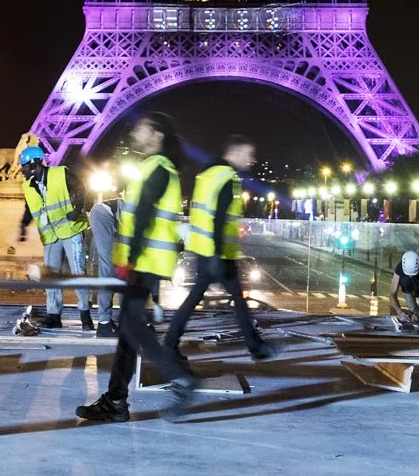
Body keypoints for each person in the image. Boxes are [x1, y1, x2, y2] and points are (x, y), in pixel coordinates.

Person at [75, 112, 196, 422]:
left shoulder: (157, 168)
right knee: (129, 331)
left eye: (143, 128)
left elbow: (142, 216)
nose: (136, 131)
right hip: (148, 261)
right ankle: (116, 400)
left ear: (156, 135)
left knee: (133, 327)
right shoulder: (156, 167)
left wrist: (129, 259)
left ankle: (179, 378)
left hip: (144, 262)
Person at [164, 134, 274, 361]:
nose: (251, 159)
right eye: (247, 154)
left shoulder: (207, 174)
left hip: (203, 248)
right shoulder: (227, 177)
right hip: (217, 253)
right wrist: (215, 254)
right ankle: (256, 347)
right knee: (234, 299)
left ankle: (171, 341)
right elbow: (219, 218)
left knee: (205, 296)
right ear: (234, 153)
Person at [16, 145, 93, 331]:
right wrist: (23, 226)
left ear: (34, 165)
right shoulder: (28, 186)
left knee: (78, 272)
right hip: (50, 235)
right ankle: (54, 315)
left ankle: (85, 315)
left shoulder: (61, 174)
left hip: (71, 229)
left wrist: (77, 209)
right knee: (50, 275)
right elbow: (30, 209)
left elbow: (81, 189)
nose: (21, 170)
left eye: (24, 166)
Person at [88, 193, 118, 336]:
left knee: (114, 268)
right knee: (108, 268)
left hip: (106, 214)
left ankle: (108, 321)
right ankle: (104, 324)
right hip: (102, 215)